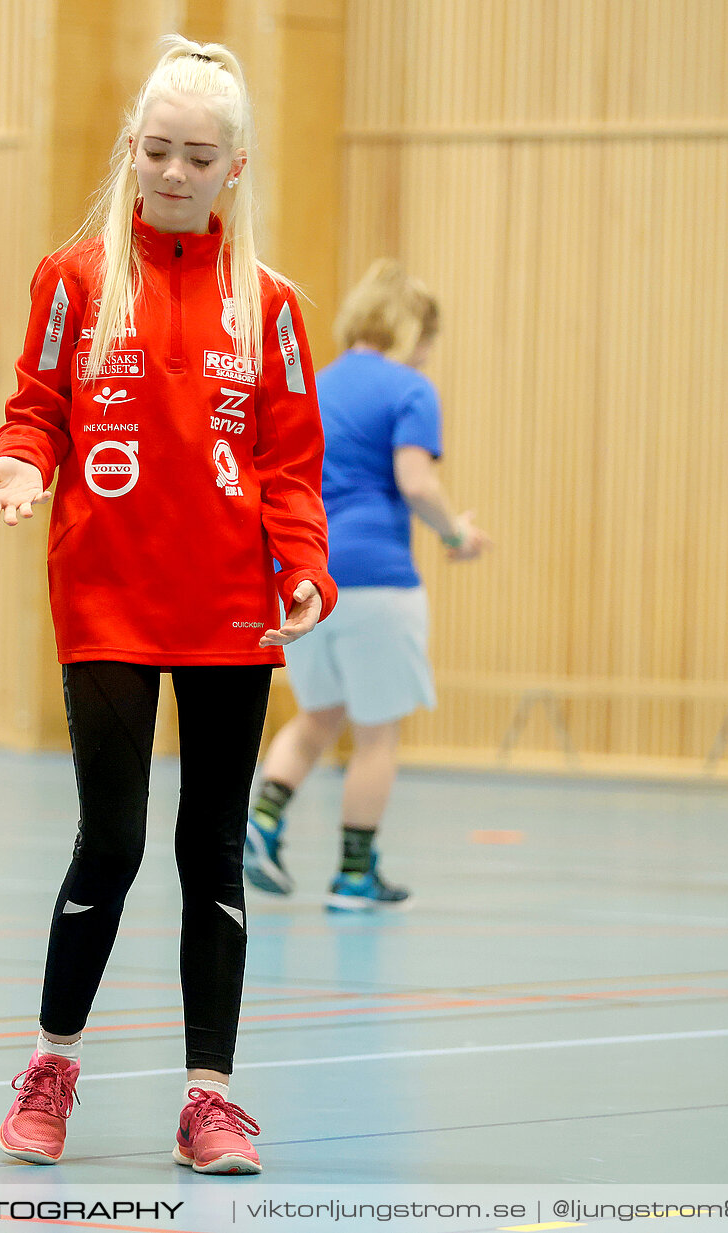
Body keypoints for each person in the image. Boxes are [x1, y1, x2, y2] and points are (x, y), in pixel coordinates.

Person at [0, 36, 333, 1175]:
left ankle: (209, 1099)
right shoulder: (72, 281)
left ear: (235, 169)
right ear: (133, 151)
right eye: (159, 151)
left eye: (199, 157)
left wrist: (304, 569)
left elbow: (288, 465)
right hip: (109, 602)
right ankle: (50, 1068)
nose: (174, 172)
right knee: (113, 843)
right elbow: (37, 407)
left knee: (211, 854)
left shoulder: (266, 306)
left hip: (231, 610)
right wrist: (23, 462)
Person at [241, 259, 488, 911]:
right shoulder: (410, 389)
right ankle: (354, 873)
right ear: (411, 330)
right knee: (377, 733)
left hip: (305, 580)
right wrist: (456, 535)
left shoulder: (313, 386)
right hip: (378, 580)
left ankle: (261, 822)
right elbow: (415, 481)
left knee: (318, 715)